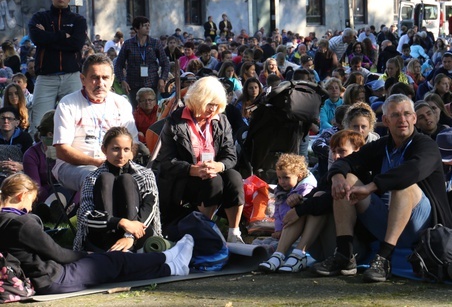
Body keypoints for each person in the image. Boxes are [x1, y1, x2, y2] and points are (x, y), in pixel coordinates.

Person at [313, 94, 452, 282]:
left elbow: (411, 171)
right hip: (386, 220)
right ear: (386, 121)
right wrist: (337, 176)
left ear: (413, 118)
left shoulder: (426, 145)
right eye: (395, 115)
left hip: (421, 226)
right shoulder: (382, 145)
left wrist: (371, 187)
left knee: (403, 186)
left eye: (406, 114)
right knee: (348, 178)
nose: (402, 120)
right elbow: (349, 161)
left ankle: (384, 258)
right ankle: (345, 255)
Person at [0, 173, 193, 294]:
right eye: (31, 201)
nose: (30, 207)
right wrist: (90, 255)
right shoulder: (21, 223)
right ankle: (166, 256)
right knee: (115, 261)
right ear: (21, 196)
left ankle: (172, 268)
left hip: (41, 277)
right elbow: (58, 254)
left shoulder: (5, 221)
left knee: (116, 273)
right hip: (52, 278)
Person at [263, 130, 368, 274]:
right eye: (334, 151)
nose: (336, 156)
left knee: (316, 201)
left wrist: (300, 209)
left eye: (342, 151)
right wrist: (298, 200)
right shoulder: (332, 174)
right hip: (324, 247)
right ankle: (280, 254)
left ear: (357, 150)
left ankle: (299, 253)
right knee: (310, 201)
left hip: (351, 248)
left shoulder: (361, 175)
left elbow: (327, 200)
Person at [155, 76, 245, 242]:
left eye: (217, 105)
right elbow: (166, 161)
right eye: (210, 104)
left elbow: (231, 154)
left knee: (234, 177)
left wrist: (219, 165)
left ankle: (234, 232)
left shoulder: (221, 120)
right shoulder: (175, 121)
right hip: (184, 178)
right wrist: (192, 170)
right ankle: (205, 230)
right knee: (214, 182)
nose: (213, 109)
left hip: (212, 171)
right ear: (198, 100)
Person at [52, 54, 138, 193]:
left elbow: (134, 145)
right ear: (83, 79)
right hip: (73, 166)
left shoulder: (121, 104)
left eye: (105, 78)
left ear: (112, 80)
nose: (100, 83)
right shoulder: (68, 104)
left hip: (116, 163)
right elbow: (62, 151)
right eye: (94, 78)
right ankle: (99, 215)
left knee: (144, 178)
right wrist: (99, 163)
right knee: (99, 178)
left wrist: (121, 162)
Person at [73, 127, 160, 252]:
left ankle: (129, 249)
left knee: (126, 179)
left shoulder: (145, 174)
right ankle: (111, 249)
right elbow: (85, 215)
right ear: (104, 149)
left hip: (138, 233)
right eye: (115, 149)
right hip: (104, 234)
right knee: (105, 178)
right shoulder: (92, 178)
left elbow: (150, 206)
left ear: (132, 151)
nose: (121, 155)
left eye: (126, 150)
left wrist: (130, 235)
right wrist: (120, 222)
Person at [28, 0, 87, 135]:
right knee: (38, 123)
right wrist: (63, 36)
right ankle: (37, 157)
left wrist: (48, 37)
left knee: (78, 119)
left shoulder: (78, 20)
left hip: (71, 76)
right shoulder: (39, 17)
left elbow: (76, 44)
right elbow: (36, 38)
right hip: (46, 78)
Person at [258, 153, 317, 271]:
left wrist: (298, 199)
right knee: (261, 242)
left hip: (301, 231)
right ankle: (277, 254)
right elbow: (278, 212)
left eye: (286, 178)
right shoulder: (281, 191)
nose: (282, 182)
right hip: (286, 227)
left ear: (299, 176)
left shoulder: (306, 189)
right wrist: (278, 229)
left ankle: (293, 255)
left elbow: (302, 213)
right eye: (279, 178)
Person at [115, 16, 170, 107]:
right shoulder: (128, 44)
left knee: (152, 110)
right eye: (145, 26)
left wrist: (162, 79)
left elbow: (165, 63)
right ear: (137, 28)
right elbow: (118, 65)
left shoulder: (155, 43)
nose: (148, 28)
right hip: (133, 84)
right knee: (136, 110)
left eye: (148, 25)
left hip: (152, 83)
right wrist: (122, 80)